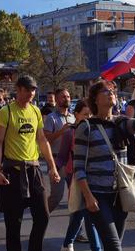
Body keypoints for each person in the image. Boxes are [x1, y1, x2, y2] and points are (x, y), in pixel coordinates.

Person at [73, 78, 135, 251]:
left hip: (120, 194)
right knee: (114, 246)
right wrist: (88, 196)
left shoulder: (121, 122)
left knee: (114, 245)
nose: (112, 94)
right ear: (95, 99)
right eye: (106, 92)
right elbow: (78, 166)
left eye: (113, 92)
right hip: (98, 195)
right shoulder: (85, 127)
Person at [0, 75, 60, 251]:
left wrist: (52, 167)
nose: (32, 93)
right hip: (13, 172)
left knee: (43, 217)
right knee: (13, 225)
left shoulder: (36, 111)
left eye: (34, 89)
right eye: (28, 89)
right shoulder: (6, 111)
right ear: (19, 89)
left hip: (34, 170)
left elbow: (42, 140)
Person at [58, 100, 100, 251]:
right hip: (75, 175)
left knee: (81, 212)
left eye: (90, 114)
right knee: (87, 212)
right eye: (85, 114)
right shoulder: (70, 132)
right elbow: (62, 156)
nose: (88, 118)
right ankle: (96, 247)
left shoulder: (96, 130)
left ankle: (67, 242)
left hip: (93, 174)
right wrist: (55, 170)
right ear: (76, 115)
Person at [44, 88, 75, 212]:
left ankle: (77, 231)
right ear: (57, 100)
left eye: (68, 96)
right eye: (63, 97)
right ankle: (43, 215)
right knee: (57, 196)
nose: (66, 99)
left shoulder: (73, 117)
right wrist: (61, 131)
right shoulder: (51, 118)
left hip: (72, 160)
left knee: (75, 197)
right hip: (57, 160)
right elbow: (46, 139)